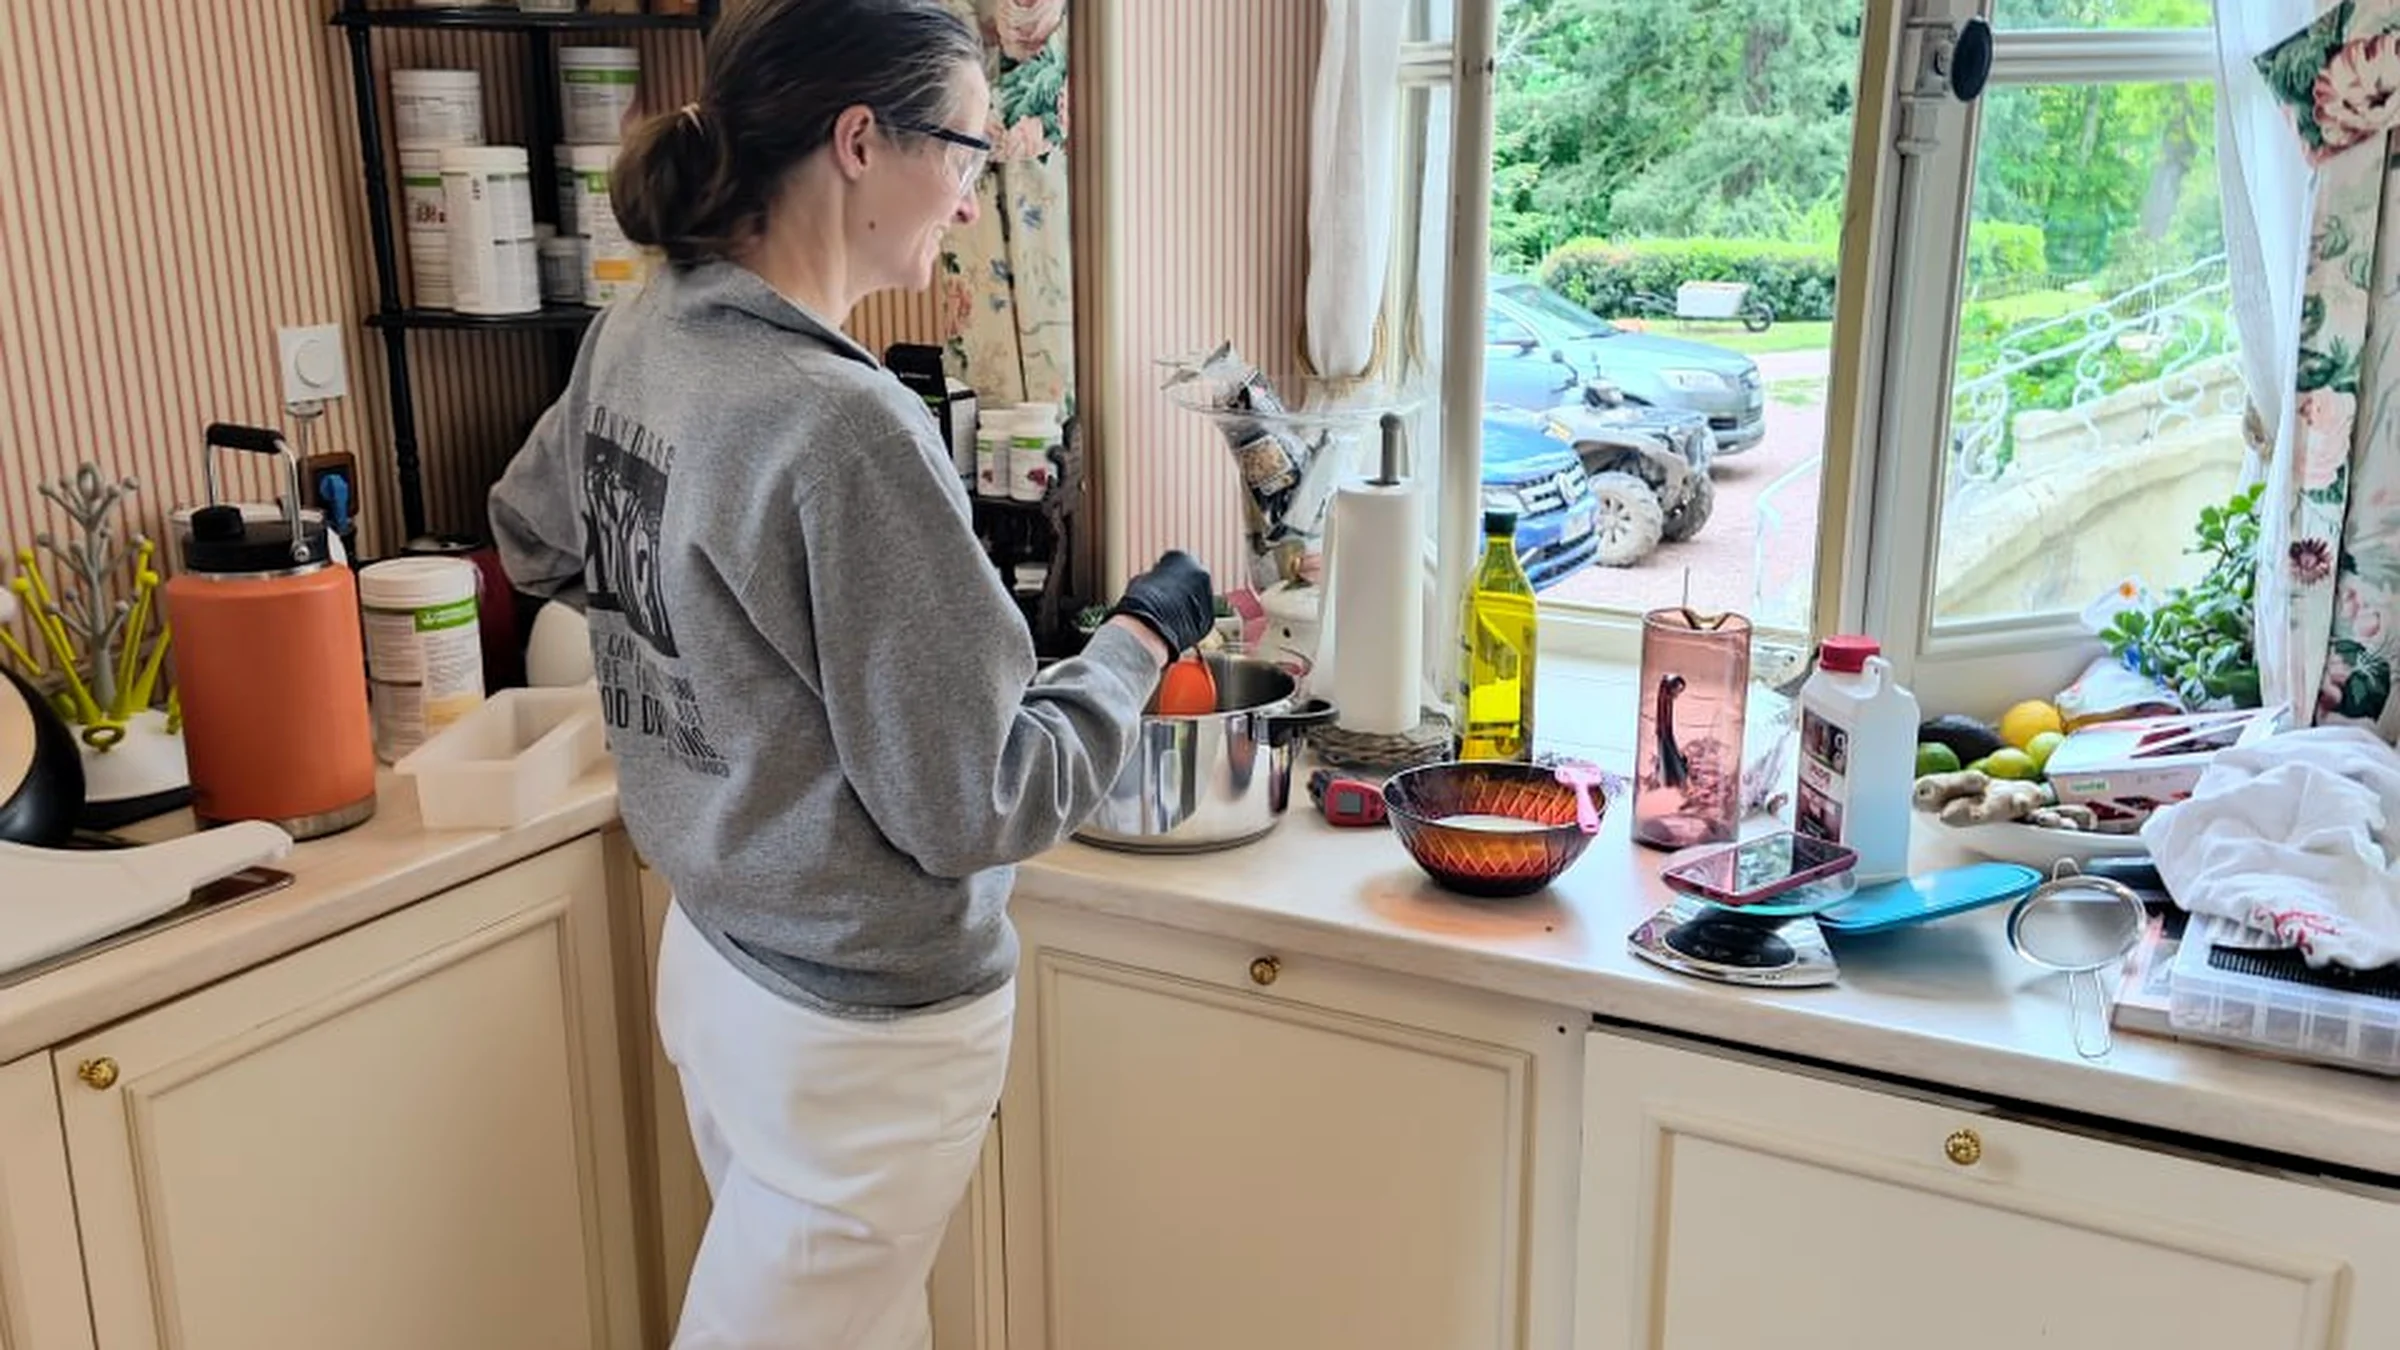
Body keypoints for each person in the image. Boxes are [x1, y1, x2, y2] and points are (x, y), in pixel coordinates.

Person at [486, 2, 1216, 1344]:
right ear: (861, 142)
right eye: (967, 153)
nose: (972, 199)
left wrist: (716, 652)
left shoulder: (645, 329)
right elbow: (977, 802)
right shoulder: (844, 427)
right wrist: (1138, 641)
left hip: (715, 962)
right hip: (858, 1028)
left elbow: (534, 530)